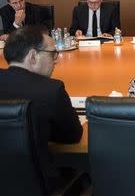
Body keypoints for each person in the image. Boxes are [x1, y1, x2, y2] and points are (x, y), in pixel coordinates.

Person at [0, 25, 83, 193]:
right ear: (33, 57)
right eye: (53, 54)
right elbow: (73, 136)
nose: (56, 60)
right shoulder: (52, 90)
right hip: (37, 187)